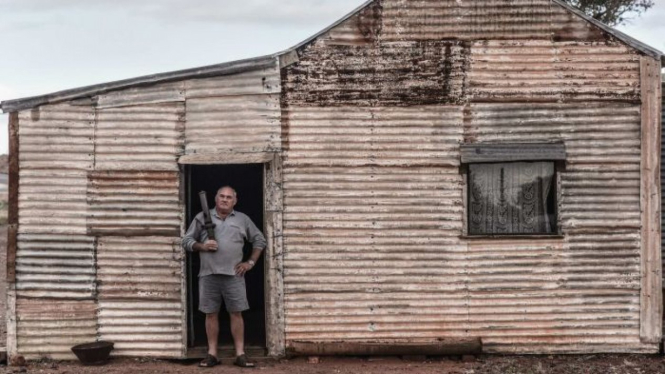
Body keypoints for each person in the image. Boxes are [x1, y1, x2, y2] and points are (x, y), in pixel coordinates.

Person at [182, 186, 266, 368]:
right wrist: (202, 246)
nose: (225, 199)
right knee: (210, 314)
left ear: (235, 201)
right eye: (222, 196)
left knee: (236, 313)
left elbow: (259, 240)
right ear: (215, 198)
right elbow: (186, 240)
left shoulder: (243, 219)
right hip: (208, 274)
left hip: (234, 275)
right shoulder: (202, 217)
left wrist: (249, 263)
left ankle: (240, 354)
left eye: (229, 197)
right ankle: (212, 354)